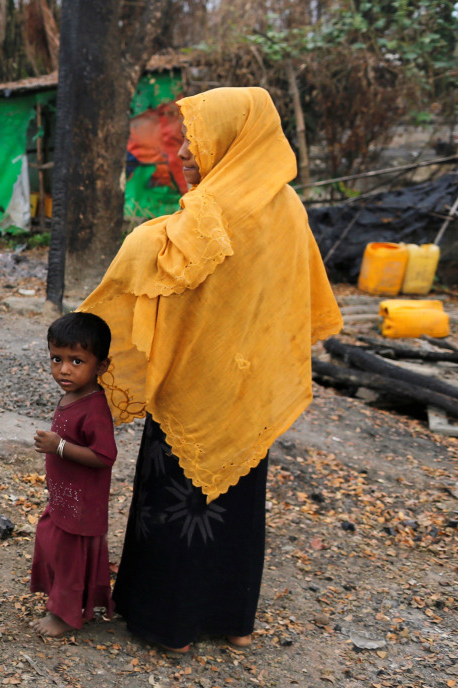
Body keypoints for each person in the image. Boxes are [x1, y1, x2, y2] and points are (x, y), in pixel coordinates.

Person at [80, 87, 343, 652]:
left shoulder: (213, 209)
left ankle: (167, 626)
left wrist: (143, 242)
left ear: (234, 137)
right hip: (249, 388)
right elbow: (295, 297)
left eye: (197, 137)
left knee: (174, 503)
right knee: (237, 507)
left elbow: (158, 265)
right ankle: (233, 621)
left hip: (194, 386)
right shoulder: (287, 205)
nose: (188, 151)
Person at [29, 313, 117, 637]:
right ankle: (59, 600)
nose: (64, 369)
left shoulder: (94, 408)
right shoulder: (73, 394)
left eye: (76, 361)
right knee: (50, 542)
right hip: (66, 497)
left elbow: (106, 456)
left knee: (68, 559)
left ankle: (64, 616)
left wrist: (59, 447)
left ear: (101, 366)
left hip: (82, 504)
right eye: (57, 359)